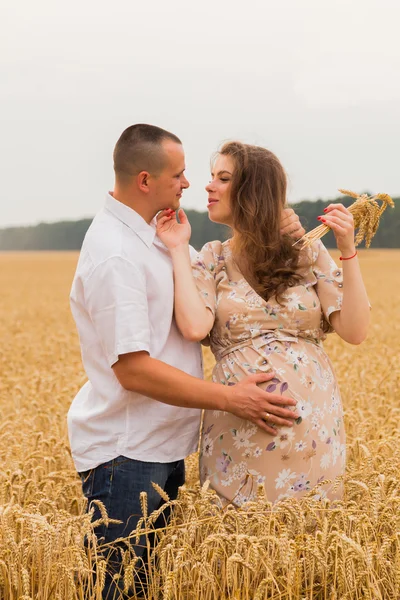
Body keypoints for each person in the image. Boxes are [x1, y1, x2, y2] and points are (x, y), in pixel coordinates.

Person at [68, 125, 305, 598]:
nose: (188, 184)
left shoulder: (155, 236)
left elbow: (230, 279)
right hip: (126, 455)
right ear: (144, 180)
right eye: (179, 174)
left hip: (156, 449)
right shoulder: (116, 254)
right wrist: (232, 398)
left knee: (142, 586)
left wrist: (287, 233)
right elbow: (133, 370)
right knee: (122, 590)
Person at [157, 140, 370, 506]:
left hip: (313, 434)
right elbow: (193, 327)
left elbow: (355, 330)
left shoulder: (307, 251)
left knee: (311, 544)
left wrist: (347, 249)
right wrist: (178, 248)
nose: (208, 186)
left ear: (252, 191)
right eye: (212, 177)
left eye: (222, 178)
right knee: (236, 546)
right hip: (238, 434)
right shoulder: (213, 258)